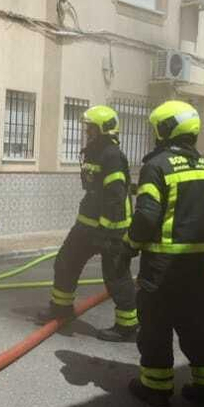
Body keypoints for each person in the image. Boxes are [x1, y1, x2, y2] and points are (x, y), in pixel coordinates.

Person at [123, 100, 204, 407]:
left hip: (160, 268)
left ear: (166, 129)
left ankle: (155, 388)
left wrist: (128, 245)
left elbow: (146, 217)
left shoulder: (157, 166)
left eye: (157, 128)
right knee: (196, 326)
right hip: (194, 266)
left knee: (155, 326)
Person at [42, 105, 140, 340]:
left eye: (91, 128)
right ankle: (61, 309)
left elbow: (115, 197)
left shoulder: (112, 155)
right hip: (87, 224)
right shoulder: (94, 152)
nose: (87, 133)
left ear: (104, 130)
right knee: (66, 262)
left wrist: (106, 231)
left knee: (116, 277)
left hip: (111, 229)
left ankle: (127, 326)